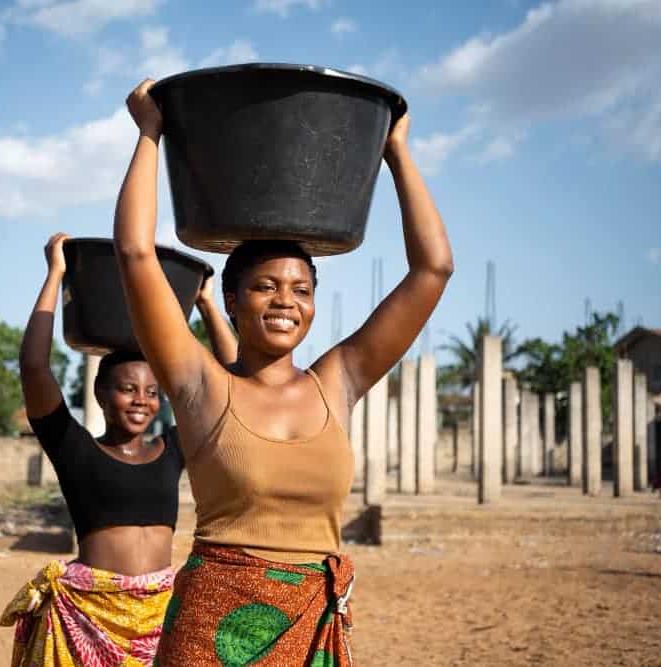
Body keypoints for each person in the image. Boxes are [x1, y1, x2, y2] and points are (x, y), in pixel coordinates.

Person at [113, 79, 454, 665]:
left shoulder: (338, 382)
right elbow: (136, 254)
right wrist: (149, 133)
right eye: (265, 287)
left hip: (311, 628)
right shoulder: (201, 384)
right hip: (212, 630)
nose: (284, 301)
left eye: (300, 289)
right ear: (231, 300)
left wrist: (395, 150)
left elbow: (434, 269)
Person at [0, 232, 237, 667]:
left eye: (151, 391)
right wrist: (57, 274)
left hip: (160, 615)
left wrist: (205, 303)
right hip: (89, 615)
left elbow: (233, 383)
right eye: (127, 389)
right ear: (101, 394)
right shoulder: (75, 450)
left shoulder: (173, 448)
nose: (142, 401)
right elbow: (34, 366)